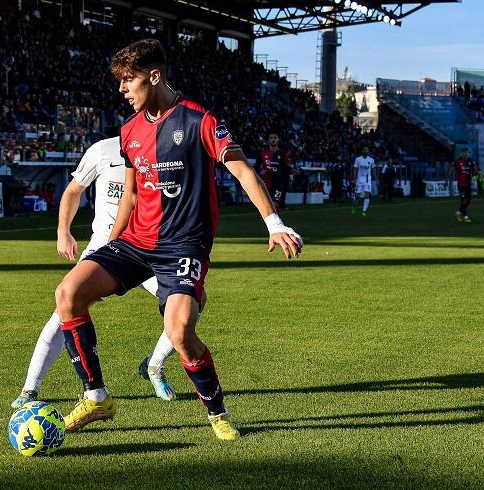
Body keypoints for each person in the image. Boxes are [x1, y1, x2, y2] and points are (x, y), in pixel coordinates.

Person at [53, 39, 303, 441]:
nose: (122, 90)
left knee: (180, 332)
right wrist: (106, 248)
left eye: (128, 80)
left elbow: (241, 171)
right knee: (68, 293)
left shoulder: (199, 119)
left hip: (184, 246)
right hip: (135, 242)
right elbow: (132, 194)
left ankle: (217, 412)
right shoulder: (129, 130)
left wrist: (273, 222)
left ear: (154, 76)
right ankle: (97, 397)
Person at [11, 136, 196, 409]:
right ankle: (30, 389)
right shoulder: (102, 149)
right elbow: (74, 190)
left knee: (188, 308)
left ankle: (154, 366)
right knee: (63, 311)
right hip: (105, 250)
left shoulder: (166, 150)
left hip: (148, 249)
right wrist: (63, 231)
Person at [259, 131, 293, 209]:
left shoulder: (283, 153)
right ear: (268, 140)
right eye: (271, 138)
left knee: (275, 204)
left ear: (278, 139)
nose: (273, 140)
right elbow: (258, 166)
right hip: (266, 183)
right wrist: (260, 171)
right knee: (267, 206)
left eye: (275, 138)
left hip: (278, 183)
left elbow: (287, 166)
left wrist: (291, 170)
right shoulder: (263, 153)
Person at [446, 147, 478, 223]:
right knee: (464, 200)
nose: (465, 154)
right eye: (464, 152)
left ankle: (459, 213)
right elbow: (451, 171)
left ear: (468, 153)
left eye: (467, 152)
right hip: (461, 184)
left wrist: (477, 174)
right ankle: (465, 216)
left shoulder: (471, 161)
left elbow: (475, 170)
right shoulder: (457, 161)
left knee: (468, 200)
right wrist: (446, 180)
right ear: (461, 153)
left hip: (468, 184)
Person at [351, 146, 375, 216]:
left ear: (368, 151)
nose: (365, 151)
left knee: (367, 195)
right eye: (364, 149)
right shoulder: (358, 159)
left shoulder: (371, 160)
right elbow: (355, 169)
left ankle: (364, 211)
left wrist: (376, 179)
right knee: (357, 196)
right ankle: (353, 206)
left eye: (366, 149)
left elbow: (373, 169)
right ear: (362, 151)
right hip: (359, 179)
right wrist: (354, 178)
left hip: (367, 180)